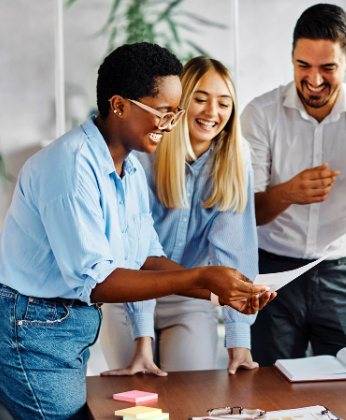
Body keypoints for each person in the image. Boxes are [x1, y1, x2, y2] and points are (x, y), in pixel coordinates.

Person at [0, 43, 272, 420]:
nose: (170, 125)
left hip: (55, 328)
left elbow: (145, 259)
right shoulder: (72, 167)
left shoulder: (129, 171)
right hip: (21, 330)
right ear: (120, 105)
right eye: (162, 112)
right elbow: (97, 282)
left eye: (175, 114)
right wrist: (204, 276)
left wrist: (220, 293)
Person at [242, 3, 346, 365]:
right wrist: (288, 192)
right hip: (272, 272)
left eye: (328, 68)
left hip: (342, 270)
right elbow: (246, 212)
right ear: (291, 57)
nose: (314, 80)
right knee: (271, 388)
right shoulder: (260, 114)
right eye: (303, 66)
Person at [101, 56, 273, 376]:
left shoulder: (234, 161)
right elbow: (133, 252)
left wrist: (240, 342)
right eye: (200, 99)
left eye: (224, 103)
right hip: (129, 296)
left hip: (190, 300)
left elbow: (234, 251)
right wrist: (143, 338)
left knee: (190, 397)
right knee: (136, 401)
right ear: (179, 105)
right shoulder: (145, 153)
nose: (212, 113)